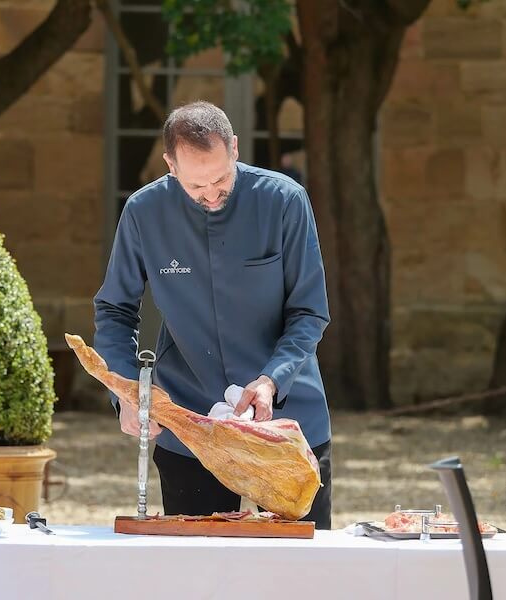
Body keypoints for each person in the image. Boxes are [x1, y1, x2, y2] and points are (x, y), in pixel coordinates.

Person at [93, 101, 332, 528]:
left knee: (299, 564)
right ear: (170, 165)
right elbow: (114, 310)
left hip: (287, 417)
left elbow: (308, 311)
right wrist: (128, 392)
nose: (210, 194)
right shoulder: (143, 212)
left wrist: (272, 379)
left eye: (221, 179)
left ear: (235, 148)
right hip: (190, 423)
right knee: (198, 565)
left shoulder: (285, 201)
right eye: (195, 185)